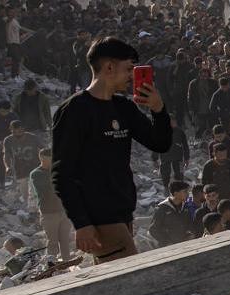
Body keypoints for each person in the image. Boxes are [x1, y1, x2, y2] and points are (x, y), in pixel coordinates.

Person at [52, 37, 172, 262]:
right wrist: (82, 223)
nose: (131, 76)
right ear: (109, 67)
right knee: (133, 278)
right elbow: (62, 173)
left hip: (123, 212)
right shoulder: (75, 110)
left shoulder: (123, 107)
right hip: (99, 217)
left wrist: (158, 109)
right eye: (128, 69)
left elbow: (160, 143)